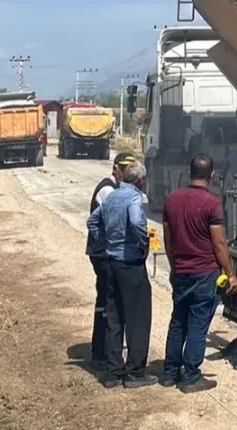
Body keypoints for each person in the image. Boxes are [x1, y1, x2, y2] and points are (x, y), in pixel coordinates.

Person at [161, 154, 237, 393]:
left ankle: (169, 373)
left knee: (178, 321)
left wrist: (174, 266)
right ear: (212, 174)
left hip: (182, 271)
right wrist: (230, 273)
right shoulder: (212, 203)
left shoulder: (172, 200)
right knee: (197, 324)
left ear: (189, 171)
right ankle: (191, 376)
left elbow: (168, 238)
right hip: (205, 273)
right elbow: (219, 244)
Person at [87, 161, 156, 388]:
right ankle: (135, 372)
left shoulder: (112, 197)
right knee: (137, 318)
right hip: (131, 264)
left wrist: (104, 241)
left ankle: (113, 371)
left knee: (114, 317)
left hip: (112, 262)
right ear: (140, 181)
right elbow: (136, 221)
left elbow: (92, 221)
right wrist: (142, 242)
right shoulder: (134, 198)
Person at [86, 152, 136, 376]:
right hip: (103, 254)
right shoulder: (108, 190)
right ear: (115, 168)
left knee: (106, 302)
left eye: (130, 168)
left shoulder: (115, 188)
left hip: (104, 251)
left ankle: (103, 351)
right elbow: (107, 219)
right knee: (109, 303)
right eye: (124, 168)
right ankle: (103, 353)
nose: (126, 172)